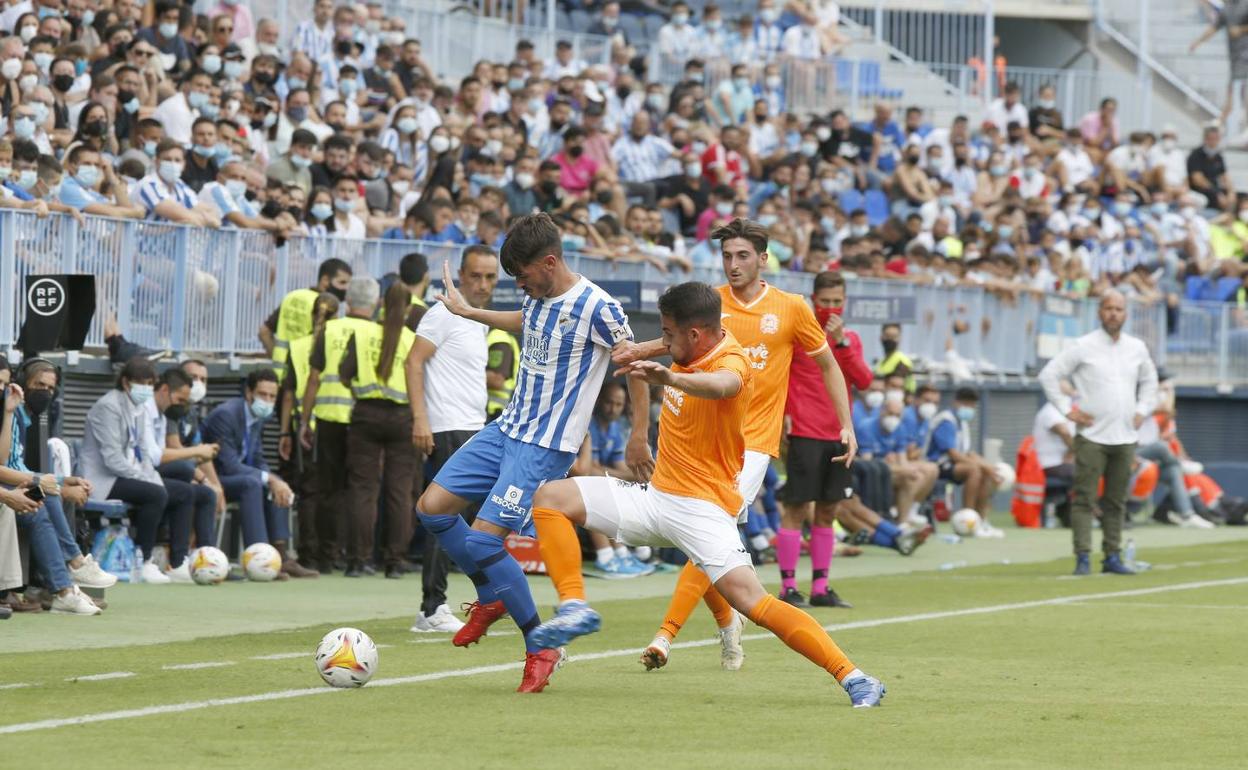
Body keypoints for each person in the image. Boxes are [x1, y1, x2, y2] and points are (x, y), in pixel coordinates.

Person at [525, 281, 886, 708]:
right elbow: (660, 355)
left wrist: (670, 377)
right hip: (654, 499)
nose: (663, 341)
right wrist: (643, 362)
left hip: (703, 510)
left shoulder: (731, 361)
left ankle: (855, 677)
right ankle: (573, 607)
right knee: (551, 497)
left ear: (694, 335)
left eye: (668, 334)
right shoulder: (688, 345)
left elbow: (722, 386)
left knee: (753, 601)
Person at [413, 213, 653, 693]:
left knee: (483, 542)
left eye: (522, 276)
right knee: (431, 510)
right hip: (506, 427)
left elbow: (636, 366)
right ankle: (491, 596)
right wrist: (468, 313)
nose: (518, 284)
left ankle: (540, 644)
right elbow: (527, 318)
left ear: (549, 262)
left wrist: (639, 435)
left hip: (545, 445)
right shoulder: (537, 295)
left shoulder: (598, 307)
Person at [612, 218, 858, 671]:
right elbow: (673, 341)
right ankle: (728, 621)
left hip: (753, 444)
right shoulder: (711, 304)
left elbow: (827, 364)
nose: (733, 265)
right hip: (700, 443)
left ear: (763, 260)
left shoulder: (791, 308)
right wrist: (639, 351)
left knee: (706, 532)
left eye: (743, 255)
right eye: (726, 256)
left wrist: (847, 423)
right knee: (703, 541)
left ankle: (665, 637)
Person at [405, 245, 500, 632]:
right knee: (445, 516)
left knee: (473, 520)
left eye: (490, 277)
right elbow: (413, 361)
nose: (482, 284)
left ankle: (483, 599)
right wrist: (420, 419)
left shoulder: (477, 320)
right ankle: (431, 608)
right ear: (461, 274)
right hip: (447, 427)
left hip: (472, 427)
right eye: (475, 276)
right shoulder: (443, 312)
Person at [1039, 291, 1160, 575]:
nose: (1113, 314)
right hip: (1092, 435)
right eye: (1108, 308)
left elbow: (1150, 381)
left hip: (1125, 436)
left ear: (1126, 313)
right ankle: (1083, 556)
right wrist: (1067, 409)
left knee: (1116, 500)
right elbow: (1049, 375)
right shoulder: (1084, 345)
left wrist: (1142, 408)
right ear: (1099, 312)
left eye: (1119, 309)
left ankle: (1112, 556)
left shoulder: (1136, 347)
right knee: (1084, 497)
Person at [779, 270, 873, 607]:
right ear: (813, 300)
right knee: (796, 507)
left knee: (829, 510)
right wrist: (786, 415)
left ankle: (821, 587)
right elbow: (783, 376)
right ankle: (788, 586)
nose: (831, 308)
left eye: (837, 302)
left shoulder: (850, 338)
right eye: (825, 302)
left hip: (839, 433)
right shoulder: (799, 334)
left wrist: (843, 343)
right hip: (804, 431)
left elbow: (863, 379)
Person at [79, 357, 192, 584]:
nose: (146, 389)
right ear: (126, 382)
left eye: (150, 383)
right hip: (102, 480)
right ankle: (144, 560)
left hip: (128, 475)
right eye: (142, 383)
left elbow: (143, 450)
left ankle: (179, 563)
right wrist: (146, 480)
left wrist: (151, 476)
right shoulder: (108, 406)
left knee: (185, 492)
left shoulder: (138, 407)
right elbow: (112, 460)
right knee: (156, 494)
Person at [337, 279, 418, 579]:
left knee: (363, 489)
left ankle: (358, 560)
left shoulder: (361, 334)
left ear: (382, 303)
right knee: (400, 491)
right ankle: (395, 562)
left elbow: (343, 375)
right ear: (409, 309)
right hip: (402, 417)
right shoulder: (412, 339)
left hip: (366, 414)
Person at [203, 368, 314, 577]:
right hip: (214, 479)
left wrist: (274, 480)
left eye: (272, 396)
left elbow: (258, 458)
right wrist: (268, 478)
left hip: (238, 477)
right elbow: (228, 464)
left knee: (275, 483)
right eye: (263, 394)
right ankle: (260, 560)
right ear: (249, 393)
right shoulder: (226, 415)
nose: (268, 400)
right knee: (254, 483)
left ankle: (280, 556)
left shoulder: (257, 417)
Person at [299, 280, 376, 574]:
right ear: (375, 302)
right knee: (359, 490)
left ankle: (326, 555)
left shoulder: (329, 330)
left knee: (327, 489)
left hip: (329, 417)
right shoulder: (378, 332)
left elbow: (314, 379)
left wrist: (305, 420)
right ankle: (356, 555)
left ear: (347, 304)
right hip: (363, 417)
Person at [277, 291, 339, 573]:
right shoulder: (339, 341)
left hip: (305, 425)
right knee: (335, 492)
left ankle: (308, 554)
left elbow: (288, 393)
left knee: (309, 493)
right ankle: (332, 553)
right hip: (335, 422)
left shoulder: (298, 345)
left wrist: (285, 432)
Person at [143, 368, 219, 559]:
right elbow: (156, 456)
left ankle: (206, 558)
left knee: (206, 494)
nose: (182, 406)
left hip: (153, 471)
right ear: (165, 390)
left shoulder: (164, 414)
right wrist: (197, 454)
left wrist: (207, 480)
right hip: (138, 472)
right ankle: (171, 559)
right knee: (185, 477)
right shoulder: (145, 410)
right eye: (180, 400)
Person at [922, 387, 1003, 536]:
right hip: (936, 464)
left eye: (972, 406)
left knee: (983, 470)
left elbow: (967, 453)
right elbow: (952, 454)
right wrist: (979, 465)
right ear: (956, 402)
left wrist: (988, 466)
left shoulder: (963, 423)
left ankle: (982, 521)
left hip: (952, 465)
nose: (969, 408)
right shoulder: (946, 420)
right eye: (966, 404)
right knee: (974, 470)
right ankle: (968, 520)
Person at [259, 257, 353, 380]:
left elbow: (264, 332)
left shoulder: (293, 296)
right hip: (305, 377)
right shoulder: (328, 307)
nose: (346, 288)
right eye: (342, 282)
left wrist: (277, 357)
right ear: (325, 280)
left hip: (279, 375)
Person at [874, 322, 914, 390]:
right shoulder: (880, 362)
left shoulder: (902, 361)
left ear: (899, 339)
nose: (890, 339)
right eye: (887, 336)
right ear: (881, 337)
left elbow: (898, 384)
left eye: (893, 337)